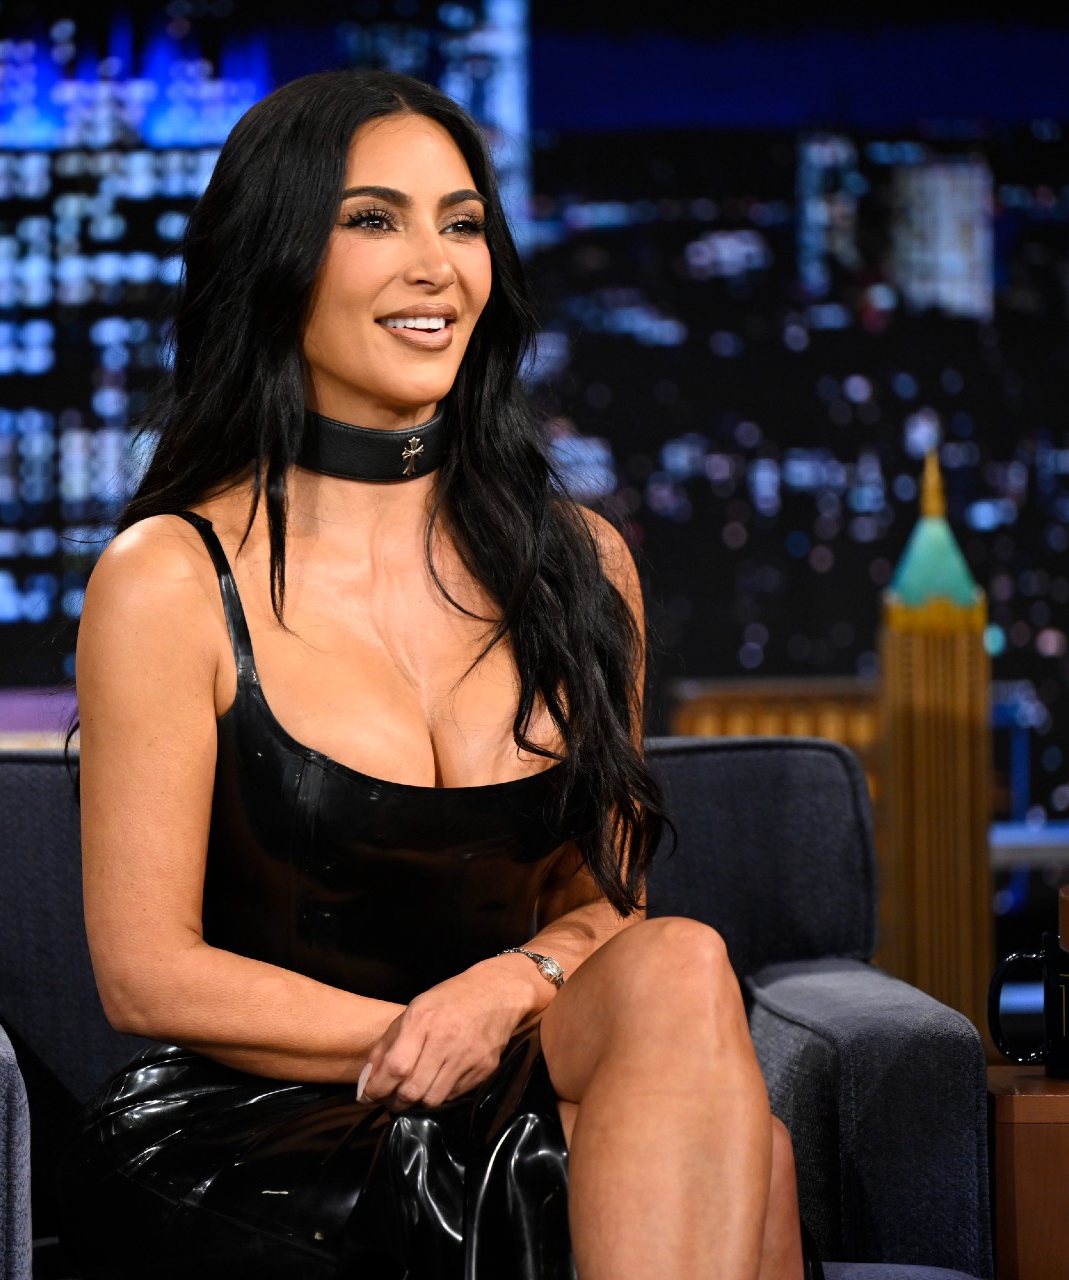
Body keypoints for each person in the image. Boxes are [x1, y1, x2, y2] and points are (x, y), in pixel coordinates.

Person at [56, 68, 811, 1280]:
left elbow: (604, 906)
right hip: (265, 1126)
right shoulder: (168, 574)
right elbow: (147, 972)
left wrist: (502, 992)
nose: (435, 264)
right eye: (373, 219)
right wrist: (429, 1033)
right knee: (753, 1162)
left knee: (677, 961)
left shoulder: (582, 566)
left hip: (509, 1054)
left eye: (460, 222)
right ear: (276, 256)